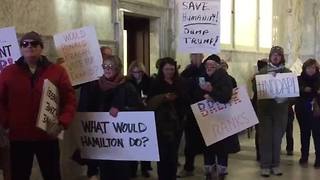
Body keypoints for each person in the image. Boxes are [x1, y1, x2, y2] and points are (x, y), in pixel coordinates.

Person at [0, 31, 76, 180]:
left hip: (48, 135)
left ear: (41, 48)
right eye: (25, 44)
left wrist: (62, 123)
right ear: (21, 48)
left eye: (34, 44)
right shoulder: (9, 72)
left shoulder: (57, 71)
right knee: (19, 175)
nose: (29, 47)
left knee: (52, 175)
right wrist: (7, 122)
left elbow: (69, 100)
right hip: (19, 137)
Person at [77, 55, 142, 180]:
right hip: (104, 139)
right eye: (105, 66)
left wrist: (121, 110)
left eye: (110, 66)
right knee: (106, 171)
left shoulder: (127, 86)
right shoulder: (96, 86)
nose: (107, 69)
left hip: (122, 140)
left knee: (121, 171)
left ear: (118, 68)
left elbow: (138, 110)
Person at [190, 54, 240, 180]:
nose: (209, 67)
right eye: (207, 64)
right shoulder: (201, 76)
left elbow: (226, 96)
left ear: (217, 66)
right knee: (208, 148)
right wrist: (203, 95)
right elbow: (195, 94)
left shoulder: (224, 78)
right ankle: (209, 173)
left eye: (212, 65)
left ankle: (222, 173)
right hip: (206, 119)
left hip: (222, 119)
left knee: (222, 149)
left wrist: (212, 91)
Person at [147, 57, 188, 180]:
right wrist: (164, 97)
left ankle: (172, 176)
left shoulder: (179, 82)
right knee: (163, 153)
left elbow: (185, 99)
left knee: (173, 153)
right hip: (161, 123)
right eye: (166, 69)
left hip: (177, 123)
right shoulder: (156, 83)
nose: (169, 72)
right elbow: (150, 101)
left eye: (172, 69)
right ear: (162, 70)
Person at [253, 46, 291, 177]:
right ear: (270, 56)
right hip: (265, 111)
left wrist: (285, 98)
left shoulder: (287, 72)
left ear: (282, 57)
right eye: (273, 54)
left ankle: (275, 165)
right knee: (266, 138)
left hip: (280, 111)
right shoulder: (261, 73)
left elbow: (292, 92)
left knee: (277, 138)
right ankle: (265, 165)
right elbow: (256, 90)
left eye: (278, 55)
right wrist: (257, 80)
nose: (276, 57)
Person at [178, 53, 206, 178]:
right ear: (190, 57)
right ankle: (188, 167)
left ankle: (209, 167)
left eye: (198, 56)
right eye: (194, 56)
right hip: (191, 112)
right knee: (190, 142)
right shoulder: (187, 72)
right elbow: (180, 88)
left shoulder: (207, 70)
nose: (196, 58)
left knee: (208, 141)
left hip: (206, 111)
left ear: (202, 57)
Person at [126, 61, 153, 178]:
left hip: (145, 113)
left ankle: (145, 167)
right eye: (135, 72)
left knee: (145, 142)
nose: (138, 74)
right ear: (131, 72)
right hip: (133, 114)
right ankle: (132, 168)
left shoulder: (149, 81)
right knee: (133, 143)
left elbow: (152, 94)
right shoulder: (127, 82)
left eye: (140, 72)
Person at [294, 59, 320, 168]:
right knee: (304, 134)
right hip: (302, 110)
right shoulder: (299, 79)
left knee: (317, 135)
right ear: (304, 68)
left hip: (317, 111)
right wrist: (303, 89)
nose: (311, 70)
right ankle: (304, 156)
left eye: (313, 68)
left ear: (316, 69)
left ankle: (318, 159)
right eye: (308, 68)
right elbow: (295, 91)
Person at [251, 59, 268, 161]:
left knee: (260, 131)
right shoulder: (257, 77)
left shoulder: (255, 77)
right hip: (260, 106)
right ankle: (261, 153)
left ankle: (260, 153)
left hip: (259, 106)